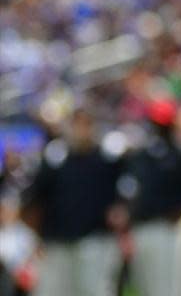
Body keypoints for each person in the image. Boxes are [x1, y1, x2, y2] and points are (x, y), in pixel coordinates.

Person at [22, 108, 125, 296]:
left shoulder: (105, 160)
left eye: (87, 125)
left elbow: (121, 200)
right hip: (57, 241)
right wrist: (37, 238)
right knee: (54, 291)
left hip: (95, 239)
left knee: (94, 290)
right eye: (78, 124)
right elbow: (35, 200)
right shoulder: (55, 159)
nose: (82, 130)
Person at [123, 99, 181, 296]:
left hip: (168, 228)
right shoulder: (141, 156)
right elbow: (131, 190)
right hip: (141, 227)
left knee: (168, 288)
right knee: (144, 286)